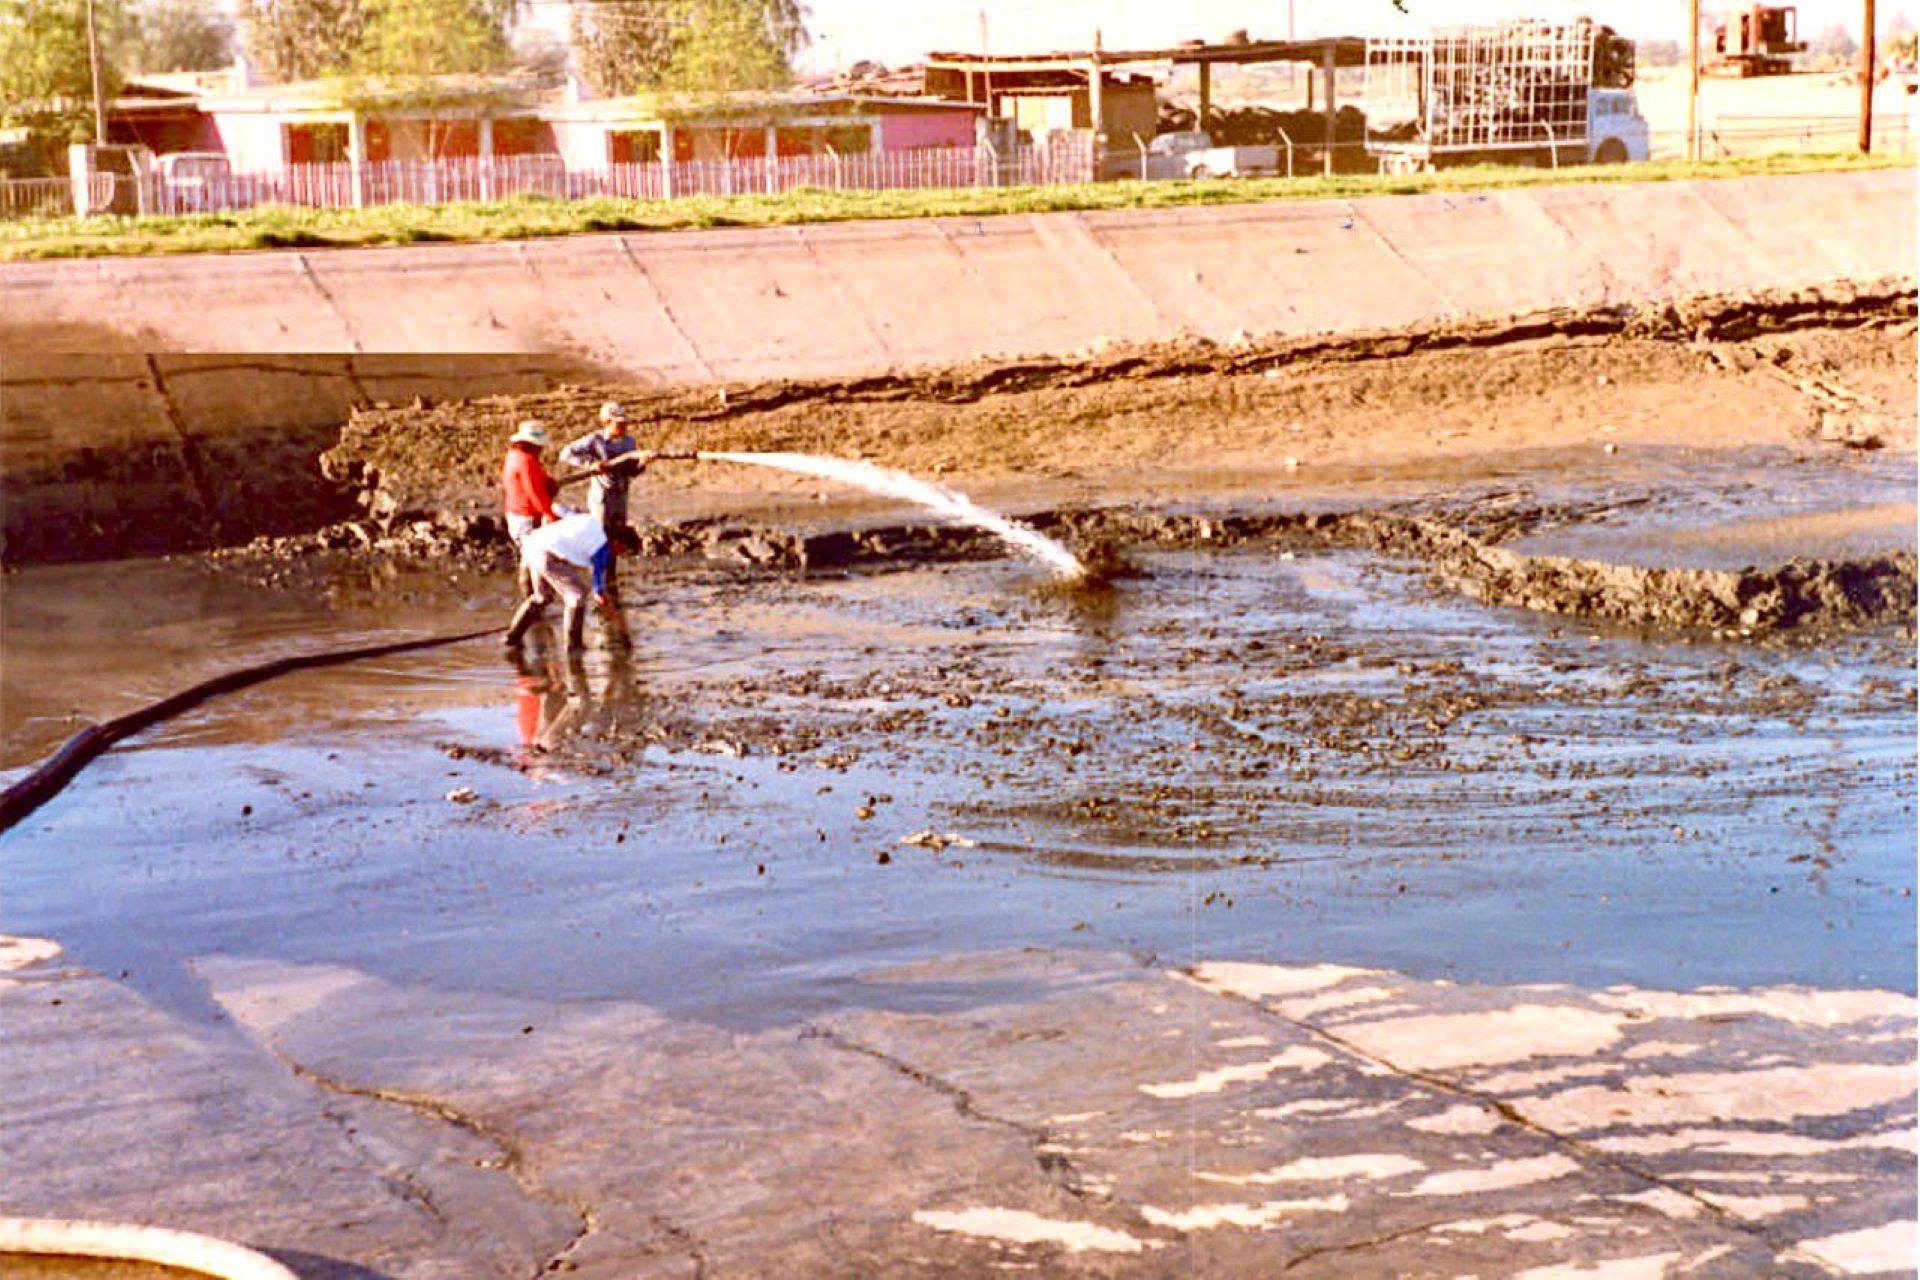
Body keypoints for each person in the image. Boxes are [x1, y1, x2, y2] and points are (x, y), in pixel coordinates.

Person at [560, 402, 652, 602]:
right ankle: (598, 582)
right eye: (618, 424)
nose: (623, 427)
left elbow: (631, 472)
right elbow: (566, 454)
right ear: (607, 423)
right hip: (602, 498)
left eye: (624, 423)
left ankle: (610, 578)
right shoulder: (595, 440)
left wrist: (642, 464)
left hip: (620, 496)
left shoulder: (629, 444)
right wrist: (590, 465)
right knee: (600, 538)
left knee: (616, 538)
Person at [505, 511, 630, 652]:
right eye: (621, 550)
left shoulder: (591, 520)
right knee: (578, 594)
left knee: (542, 597)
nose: (619, 554)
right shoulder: (602, 549)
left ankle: (512, 637)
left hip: (532, 545)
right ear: (616, 542)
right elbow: (598, 592)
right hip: (547, 554)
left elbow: (560, 509)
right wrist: (615, 617)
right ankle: (573, 646)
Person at [501, 419, 563, 549]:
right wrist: (550, 515)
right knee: (537, 559)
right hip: (527, 519)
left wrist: (546, 480)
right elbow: (535, 492)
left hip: (515, 515)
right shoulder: (527, 461)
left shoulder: (513, 455)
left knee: (529, 559)